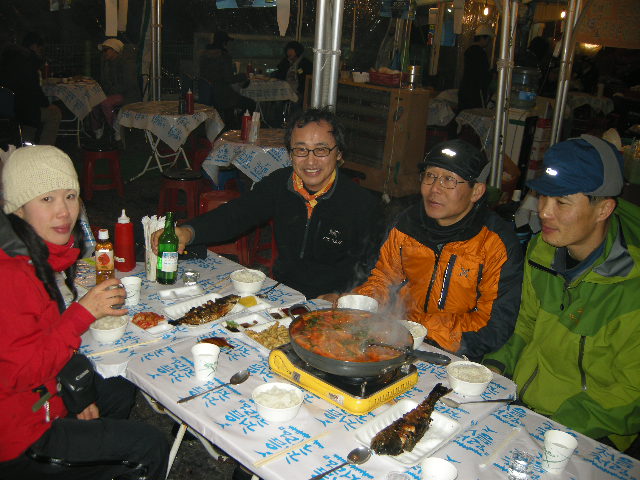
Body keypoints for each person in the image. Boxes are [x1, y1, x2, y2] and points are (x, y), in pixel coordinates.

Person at [0, 145, 169, 479]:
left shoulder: (35, 256)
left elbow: (41, 338)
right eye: (46, 199)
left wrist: (76, 395)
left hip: (44, 396)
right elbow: (19, 373)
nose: (63, 211)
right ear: (18, 208)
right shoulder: (11, 275)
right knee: (149, 447)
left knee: (117, 386)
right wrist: (82, 313)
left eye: (70, 196)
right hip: (21, 435)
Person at [484, 135, 640, 455]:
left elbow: (630, 393)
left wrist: (556, 426)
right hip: (524, 408)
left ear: (603, 208)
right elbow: (525, 324)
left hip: (591, 430)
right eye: (543, 196)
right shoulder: (542, 250)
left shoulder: (631, 286)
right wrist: (495, 367)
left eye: (562, 202)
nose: (544, 212)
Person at [151, 108, 382, 299]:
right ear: (290, 154)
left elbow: (375, 267)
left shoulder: (361, 204)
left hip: (333, 304)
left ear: (339, 154)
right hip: (284, 294)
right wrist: (188, 232)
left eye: (321, 150)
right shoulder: (280, 184)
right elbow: (237, 214)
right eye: (300, 150)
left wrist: (345, 295)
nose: (310, 161)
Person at [343, 139, 524, 360]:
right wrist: (363, 302)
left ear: (476, 191)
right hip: (394, 337)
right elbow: (384, 278)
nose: (434, 189)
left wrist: (417, 327)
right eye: (430, 176)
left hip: (459, 354)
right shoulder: (407, 224)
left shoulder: (495, 244)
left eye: (448, 180)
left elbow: (493, 326)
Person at [0, 32, 61, 145]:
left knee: (32, 114)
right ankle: (44, 150)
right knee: (54, 113)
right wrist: (46, 104)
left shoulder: (6, 58)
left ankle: (26, 145)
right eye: (40, 49)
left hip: (6, 108)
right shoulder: (28, 60)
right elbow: (33, 90)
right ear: (34, 46)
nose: (40, 53)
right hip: (21, 109)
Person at [198, 31, 255, 129]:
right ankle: (240, 127)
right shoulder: (224, 56)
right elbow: (229, 79)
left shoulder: (204, 55)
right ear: (224, 43)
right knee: (251, 104)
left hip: (209, 93)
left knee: (231, 108)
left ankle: (231, 125)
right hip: (223, 95)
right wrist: (244, 76)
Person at [95, 38, 140, 133]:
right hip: (116, 93)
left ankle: (117, 128)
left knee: (106, 103)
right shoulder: (107, 63)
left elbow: (129, 84)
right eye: (103, 51)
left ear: (114, 50)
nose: (103, 53)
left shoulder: (126, 63)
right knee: (93, 99)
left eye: (105, 50)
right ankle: (98, 127)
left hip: (128, 95)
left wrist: (110, 91)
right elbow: (105, 82)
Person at [458, 25, 494, 111]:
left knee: (463, 115)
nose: (488, 43)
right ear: (482, 38)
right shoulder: (480, 53)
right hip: (475, 93)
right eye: (488, 40)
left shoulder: (468, 51)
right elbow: (482, 74)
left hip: (465, 89)